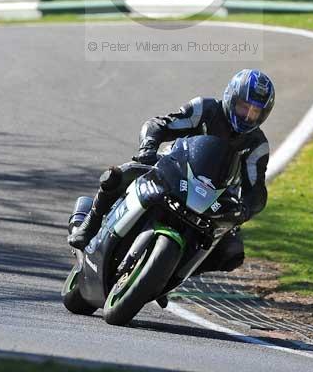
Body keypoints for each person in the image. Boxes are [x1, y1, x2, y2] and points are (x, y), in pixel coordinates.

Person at [68, 69, 275, 276]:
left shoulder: (257, 145)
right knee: (119, 175)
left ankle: (168, 274)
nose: (247, 116)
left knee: (232, 252)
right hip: (174, 170)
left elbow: (256, 189)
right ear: (231, 97)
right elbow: (159, 124)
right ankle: (89, 224)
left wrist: (245, 209)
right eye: (243, 107)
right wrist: (148, 149)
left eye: (254, 112)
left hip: (214, 198)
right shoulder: (205, 108)